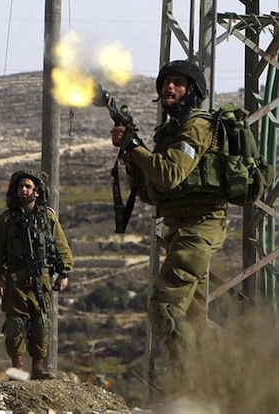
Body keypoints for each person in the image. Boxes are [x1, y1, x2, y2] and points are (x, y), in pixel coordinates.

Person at [110, 60, 227, 377]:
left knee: (164, 306)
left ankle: (185, 385)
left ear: (193, 91)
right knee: (193, 318)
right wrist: (131, 159)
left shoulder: (198, 127)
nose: (168, 87)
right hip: (181, 229)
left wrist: (136, 148)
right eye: (165, 82)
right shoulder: (170, 133)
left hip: (199, 227)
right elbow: (153, 193)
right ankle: (224, 376)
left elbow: (169, 174)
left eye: (177, 82)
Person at [0, 170, 74, 380]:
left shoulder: (47, 217)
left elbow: (61, 245)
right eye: (21, 186)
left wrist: (63, 272)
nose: (24, 190)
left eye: (28, 187)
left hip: (41, 278)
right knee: (14, 324)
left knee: (41, 323)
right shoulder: (7, 219)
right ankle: (17, 370)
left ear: (37, 191)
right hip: (15, 279)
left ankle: (37, 368)